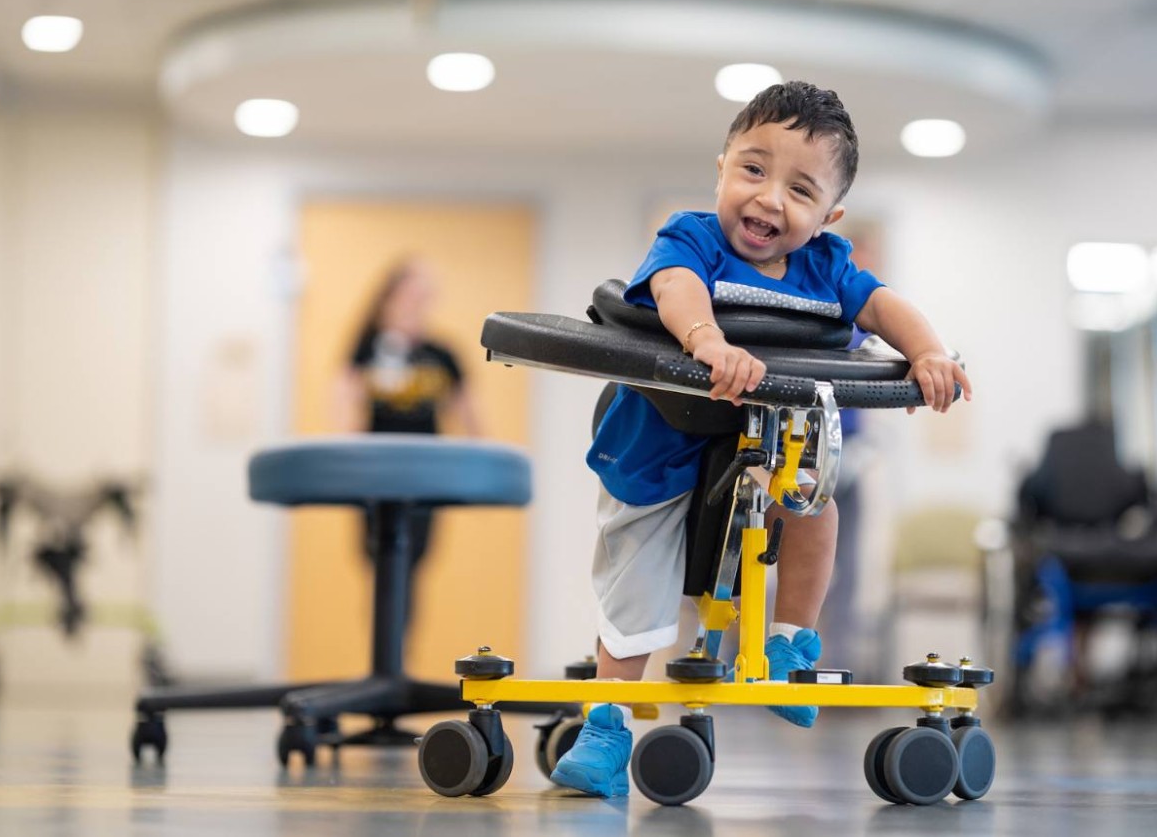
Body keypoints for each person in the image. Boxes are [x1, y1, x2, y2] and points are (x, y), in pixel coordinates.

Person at [550, 81, 972, 798]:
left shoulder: (826, 264)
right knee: (639, 590)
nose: (770, 199)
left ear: (829, 215)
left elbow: (880, 305)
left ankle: (788, 644)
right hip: (658, 450)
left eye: (800, 189)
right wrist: (706, 337)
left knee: (815, 505)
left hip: (771, 448)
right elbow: (677, 285)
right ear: (720, 169)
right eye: (753, 169)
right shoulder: (692, 235)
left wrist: (930, 352)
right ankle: (605, 724)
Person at [330, 259, 481, 603]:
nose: (417, 302)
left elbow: (470, 416)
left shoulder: (441, 354)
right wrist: (346, 451)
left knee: (412, 566)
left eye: (424, 295)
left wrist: (475, 467)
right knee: (379, 564)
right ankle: (385, 653)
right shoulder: (366, 349)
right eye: (410, 294)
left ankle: (400, 653)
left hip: (425, 475)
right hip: (374, 474)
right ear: (390, 295)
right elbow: (343, 403)